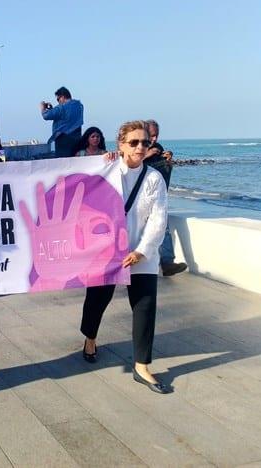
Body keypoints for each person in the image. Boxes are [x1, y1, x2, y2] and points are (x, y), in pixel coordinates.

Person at [80, 120, 170, 394]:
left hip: (141, 254)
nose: (140, 147)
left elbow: (158, 218)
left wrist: (143, 250)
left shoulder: (154, 178)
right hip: (107, 252)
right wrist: (101, 163)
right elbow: (84, 195)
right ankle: (90, 338)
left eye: (145, 142)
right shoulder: (107, 170)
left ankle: (142, 365)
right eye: (134, 142)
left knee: (144, 306)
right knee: (97, 299)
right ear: (120, 145)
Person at [144, 119, 187, 277]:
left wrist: (168, 162)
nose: (154, 139)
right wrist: (145, 155)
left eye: (156, 135)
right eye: (151, 135)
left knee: (164, 228)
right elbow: (127, 166)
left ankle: (167, 263)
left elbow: (163, 176)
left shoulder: (158, 149)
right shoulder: (136, 147)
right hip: (138, 199)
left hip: (157, 197)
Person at [40, 86, 84, 157]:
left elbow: (46, 116)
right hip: (77, 138)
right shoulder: (79, 105)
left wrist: (42, 108)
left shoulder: (61, 108)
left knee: (63, 163)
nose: (58, 101)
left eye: (58, 99)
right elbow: (65, 117)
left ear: (63, 97)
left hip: (63, 139)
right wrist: (52, 109)